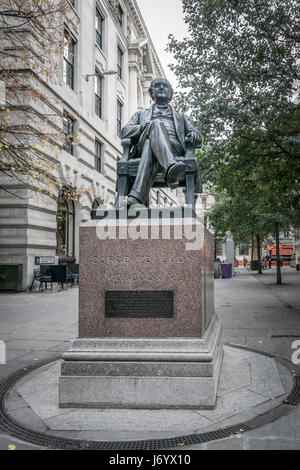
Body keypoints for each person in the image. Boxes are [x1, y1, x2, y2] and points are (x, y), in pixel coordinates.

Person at [120, 77, 202, 206]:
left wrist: (194, 134)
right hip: (143, 149)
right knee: (155, 125)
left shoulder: (181, 117)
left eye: (165, 86)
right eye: (158, 85)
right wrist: (143, 126)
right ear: (151, 92)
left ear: (170, 92)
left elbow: (196, 134)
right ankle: (170, 167)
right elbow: (124, 132)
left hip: (174, 148)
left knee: (150, 145)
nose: (162, 88)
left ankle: (136, 198)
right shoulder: (141, 114)